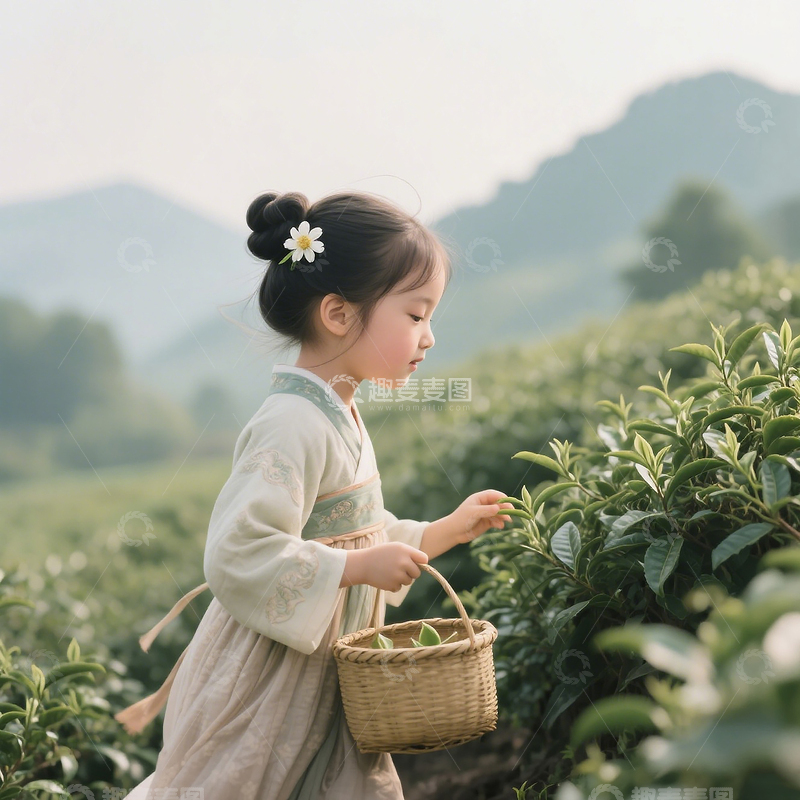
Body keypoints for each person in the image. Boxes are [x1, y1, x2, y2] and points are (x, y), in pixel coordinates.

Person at [115, 190, 514, 799]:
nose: (429, 337)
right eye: (415, 315)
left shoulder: (340, 412)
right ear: (337, 313)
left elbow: (353, 528)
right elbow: (238, 552)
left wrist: (438, 533)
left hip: (327, 666)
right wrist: (354, 568)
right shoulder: (290, 424)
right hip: (272, 675)